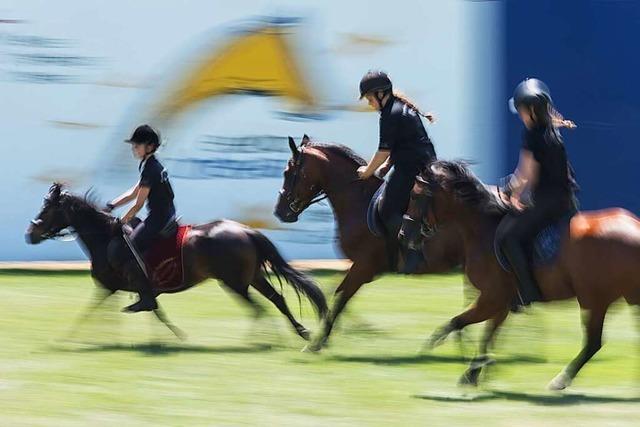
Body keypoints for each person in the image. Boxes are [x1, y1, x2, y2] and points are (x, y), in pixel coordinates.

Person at [496, 78, 578, 308]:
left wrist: (511, 195)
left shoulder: (532, 135)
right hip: (566, 200)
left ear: (532, 111)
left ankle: (527, 291)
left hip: (548, 202)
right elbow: (550, 121)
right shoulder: (550, 129)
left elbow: (526, 176)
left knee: (508, 237)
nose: (520, 114)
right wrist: (563, 123)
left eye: (521, 109)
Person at [356, 70, 437, 273]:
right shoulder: (398, 108)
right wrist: (385, 167)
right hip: (421, 166)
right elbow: (399, 145)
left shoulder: (389, 114)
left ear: (381, 94)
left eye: (369, 98)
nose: (369, 103)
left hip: (412, 169)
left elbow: (383, 150)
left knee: (386, 210)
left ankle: (413, 252)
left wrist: (368, 171)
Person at [105, 124, 176, 312]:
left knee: (130, 247)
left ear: (150, 147)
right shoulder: (150, 165)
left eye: (137, 145)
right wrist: (111, 205)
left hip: (159, 217)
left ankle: (146, 297)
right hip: (164, 213)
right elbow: (133, 192)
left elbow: (138, 204)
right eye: (133, 145)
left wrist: (122, 221)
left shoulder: (151, 168)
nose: (133, 148)